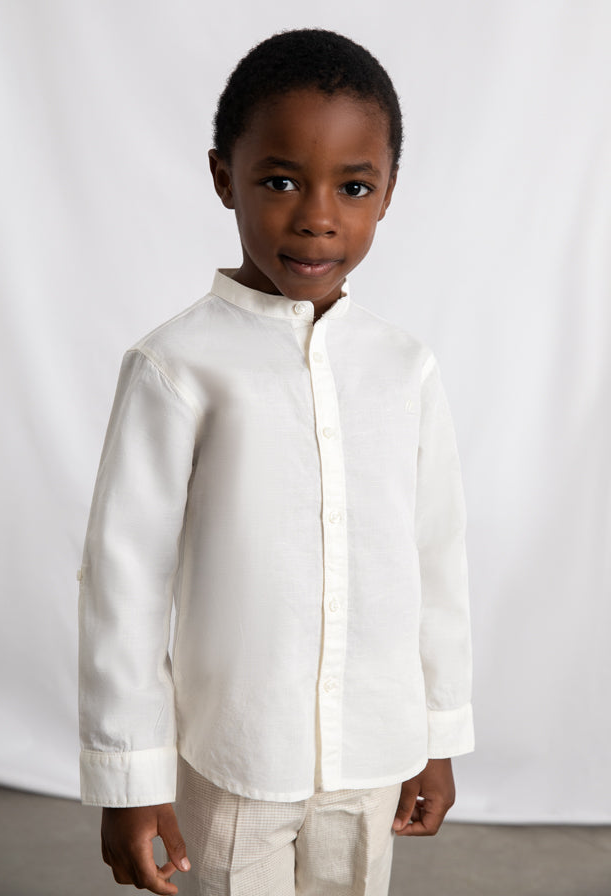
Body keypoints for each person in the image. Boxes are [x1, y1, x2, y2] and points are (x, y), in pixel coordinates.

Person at [78, 28, 474, 896]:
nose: (317, 216)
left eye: (353, 186)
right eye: (281, 180)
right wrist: (129, 779)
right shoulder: (176, 368)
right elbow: (125, 583)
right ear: (225, 177)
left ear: (388, 193)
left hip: (372, 756)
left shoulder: (405, 369)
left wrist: (436, 733)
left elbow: (435, 562)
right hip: (235, 762)